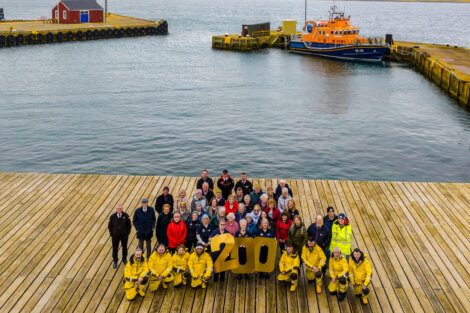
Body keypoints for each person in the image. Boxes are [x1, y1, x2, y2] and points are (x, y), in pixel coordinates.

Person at [108, 204, 132, 268]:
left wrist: (127, 233)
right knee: (115, 248)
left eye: (120, 209)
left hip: (124, 236)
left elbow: (129, 225)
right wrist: (111, 234)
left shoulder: (126, 216)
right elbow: (110, 226)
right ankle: (115, 260)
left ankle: (124, 259)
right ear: (116, 209)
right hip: (115, 236)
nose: (119, 210)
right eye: (118, 209)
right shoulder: (112, 217)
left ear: (122, 209)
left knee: (124, 247)